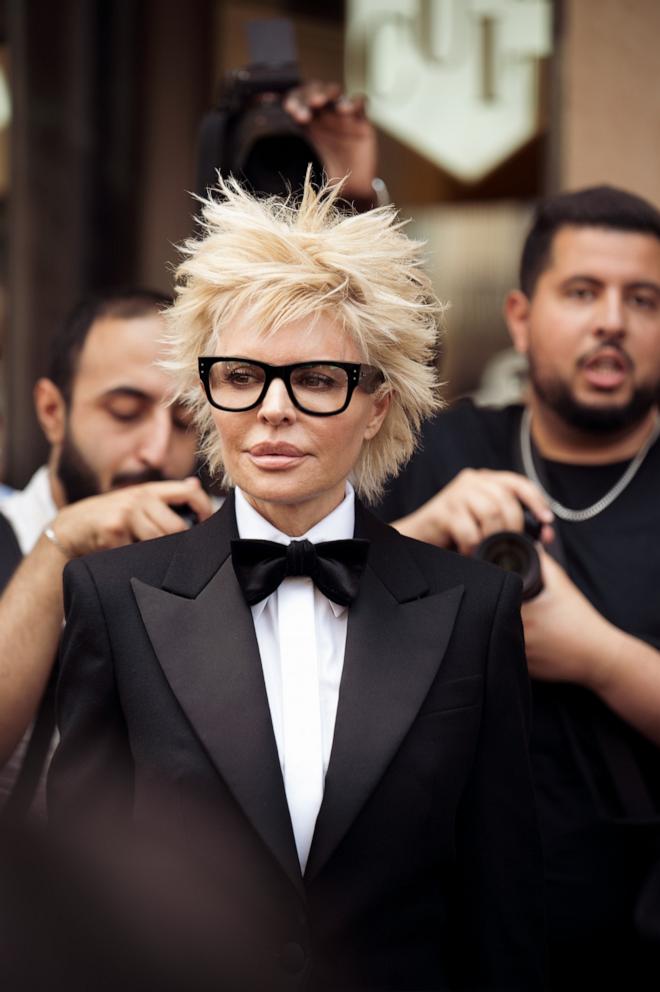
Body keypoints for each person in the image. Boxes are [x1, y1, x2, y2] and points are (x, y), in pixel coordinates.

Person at [48, 176, 545, 991]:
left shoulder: (473, 611)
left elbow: (502, 910)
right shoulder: (114, 598)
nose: (273, 410)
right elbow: (73, 911)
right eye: (241, 376)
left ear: (377, 405)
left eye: (316, 379)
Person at [375, 184, 660, 989]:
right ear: (520, 316)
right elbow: (301, 612)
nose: (613, 320)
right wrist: (416, 535)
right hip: (441, 926)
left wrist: (597, 657)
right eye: (582, 292)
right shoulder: (435, 453)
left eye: (643, 299)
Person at [0, 290, 214, 814]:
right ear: (52, 411)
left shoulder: (216, 532)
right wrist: (61, 544)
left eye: (185, 421)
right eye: (125, 411)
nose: (157, 450)